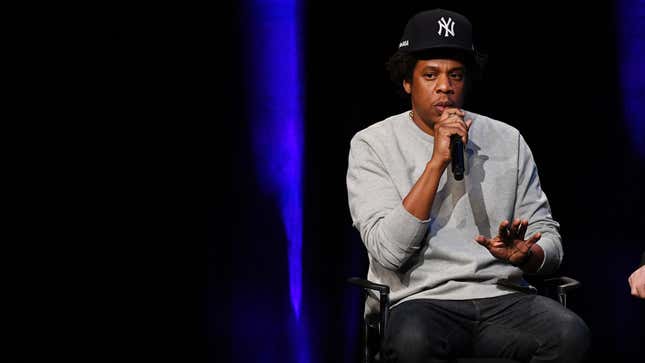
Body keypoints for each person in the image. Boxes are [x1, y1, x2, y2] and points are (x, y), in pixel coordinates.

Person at [346, 8, 590, 363]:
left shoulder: (507, 139)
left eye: (456, 75)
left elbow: (547, 237)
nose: (445, 86)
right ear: (407, 83)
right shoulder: (373, 144)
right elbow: (390, 252)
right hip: (421, 301)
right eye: (430, 75)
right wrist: (437, 162)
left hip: (503, 297)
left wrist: (529, 255)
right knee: (412, 342)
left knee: (570, 335)